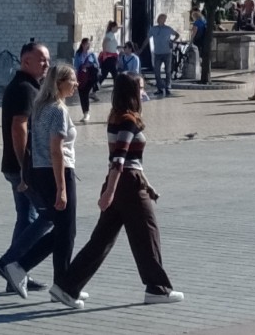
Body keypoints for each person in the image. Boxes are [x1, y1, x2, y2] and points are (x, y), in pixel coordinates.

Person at [49, 73, 182, 307]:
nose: (144, 91)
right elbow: (120, 158)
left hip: (124, 181)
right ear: (132, 92)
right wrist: (110, 192)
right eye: (141, 87)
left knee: (102, 240)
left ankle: (66, 286)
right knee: (147, 234)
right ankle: (157, 288)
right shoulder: (129, 120)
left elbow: (127, 158)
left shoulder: (115, 117)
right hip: (127, 184)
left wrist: (145, 185)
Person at [1, 64, 79, 297]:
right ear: (59, 83)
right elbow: (56, 150)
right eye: (72, 80)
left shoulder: (40, 107)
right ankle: (19, 266)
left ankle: (61, 282)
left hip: (41, 172)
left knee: (64, 231)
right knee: (66, 231)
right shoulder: (57, 110)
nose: (76, 84)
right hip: (58, 172)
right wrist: (62, 189)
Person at [0, 42, 51, 296]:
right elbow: (20, 127)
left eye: (47, 59)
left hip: (15, 167)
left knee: (25, 218)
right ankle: (11, 263)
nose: (47, 64)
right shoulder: (25, 89)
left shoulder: (26, 86)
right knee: (49, 215)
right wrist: (25, 167)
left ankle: (16, 275)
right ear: (25, 62)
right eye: (42, 60)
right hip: (22, 169)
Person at [147, 14, 179, 99]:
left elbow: (177, 35)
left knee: (168, 71)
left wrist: (172, 41)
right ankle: (160, 88)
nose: (159, 19)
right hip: (157, 53)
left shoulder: (168, 29)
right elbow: (147, 39)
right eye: (158, 18)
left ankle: (168, 87)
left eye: (161, 18)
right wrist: (141, 48)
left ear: (164, 20)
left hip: (167, 52)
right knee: (157, 71)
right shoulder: (153, 29)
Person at [74, 38, 101, 123]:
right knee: (82, 94)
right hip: (81, 77)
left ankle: (87, 113)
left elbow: (97, 65)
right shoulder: (78, 54)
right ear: (82, 44)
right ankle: (85, 113)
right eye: (87, 44)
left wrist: (89, 65)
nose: (89, 45)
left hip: (90, 78)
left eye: (90, 44)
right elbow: (76, 66)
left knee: (85, 93)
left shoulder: (92, 54)